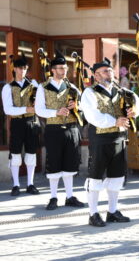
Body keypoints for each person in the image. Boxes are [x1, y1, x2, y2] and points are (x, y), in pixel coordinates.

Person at [81, 58, 139, 227]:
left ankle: (112, 211)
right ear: (96, 75)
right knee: (96, 177)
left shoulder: (121, 91)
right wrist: (114, 121)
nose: (110, 74)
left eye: (110, 71)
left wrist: (134, 110)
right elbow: (91, 115)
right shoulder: (89, 92)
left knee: (116, 176)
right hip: (100, 139)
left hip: (119, 138)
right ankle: (93, 214)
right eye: (105, 71)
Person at [35, 50, 84, 210]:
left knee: (70, 163)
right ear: (53, 70)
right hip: (53, 129)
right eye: (60, 68)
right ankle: (53, 197)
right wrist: (55, 112)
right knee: (54, 163)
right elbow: (39, 110)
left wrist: (76, 107)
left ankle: (69, 196)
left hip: (71, 129)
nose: (64, 71)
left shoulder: (72, 87)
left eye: (65, 68)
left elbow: (83, 106)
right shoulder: (43, 87)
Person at [1, 53, 40, 196]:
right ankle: (16, 184)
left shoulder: (34, 84)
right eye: (19, 68)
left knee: (31, 153)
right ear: (14, 69)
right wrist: (26, 109)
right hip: (17, 122)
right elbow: (7, 110)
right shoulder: (8, 88)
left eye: (24, 68)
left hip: (31, 122)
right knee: (15, 153)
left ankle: (30, 184)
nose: (22, 70)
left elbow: (40, 102)